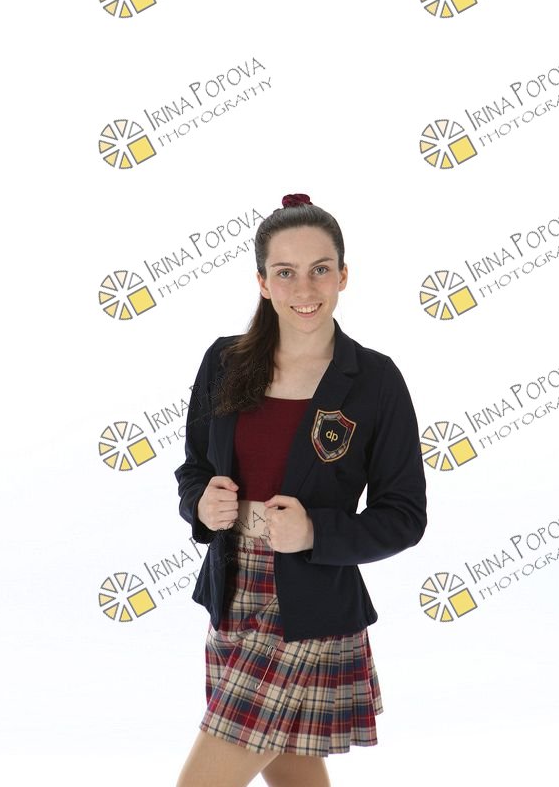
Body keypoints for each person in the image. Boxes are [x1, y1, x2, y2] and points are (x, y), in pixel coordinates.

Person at [174, 193, 427, 787]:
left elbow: (404, 515)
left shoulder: (375, 380)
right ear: (263, 283)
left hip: (310, 604)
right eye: (285, 272)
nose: (304, 288)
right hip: (232, 593)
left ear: (343, 275)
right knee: (290, 771)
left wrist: (315, 530)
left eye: (319, 269)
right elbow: (194, 468)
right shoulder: (223, 362)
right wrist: (201, 504)